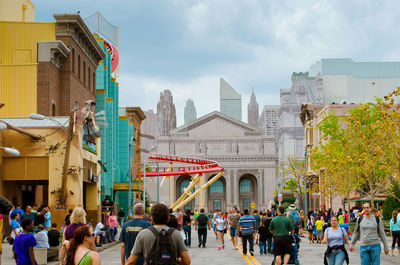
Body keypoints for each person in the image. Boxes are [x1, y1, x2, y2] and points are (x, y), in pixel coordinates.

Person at [126, 203, 191, 265]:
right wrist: (177, 261)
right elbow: (187, 261)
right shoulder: (176, 234)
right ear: (168, 219)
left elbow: (131, 261)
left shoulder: (143, 234)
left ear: (152, 219)